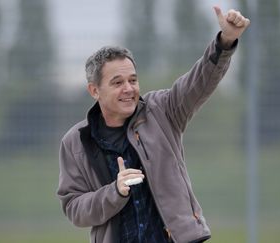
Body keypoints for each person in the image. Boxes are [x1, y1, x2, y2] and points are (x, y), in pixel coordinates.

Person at [57, 6, 250, 243]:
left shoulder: (163, 110)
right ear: (94, 90)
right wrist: (114, 192)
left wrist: (226, 41)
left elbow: (199, 81)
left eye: (133, 80)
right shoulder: (75, 142)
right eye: (117, 82)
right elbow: (75, 208)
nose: (128, 88)